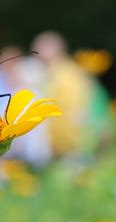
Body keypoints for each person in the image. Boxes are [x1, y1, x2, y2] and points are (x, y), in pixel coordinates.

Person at [31, 31, 110, 159]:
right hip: (77, 144)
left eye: (38, 51)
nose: (36, 56)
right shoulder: (70, 72)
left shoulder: (63, 77)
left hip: (73, 147)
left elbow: (70, 114)